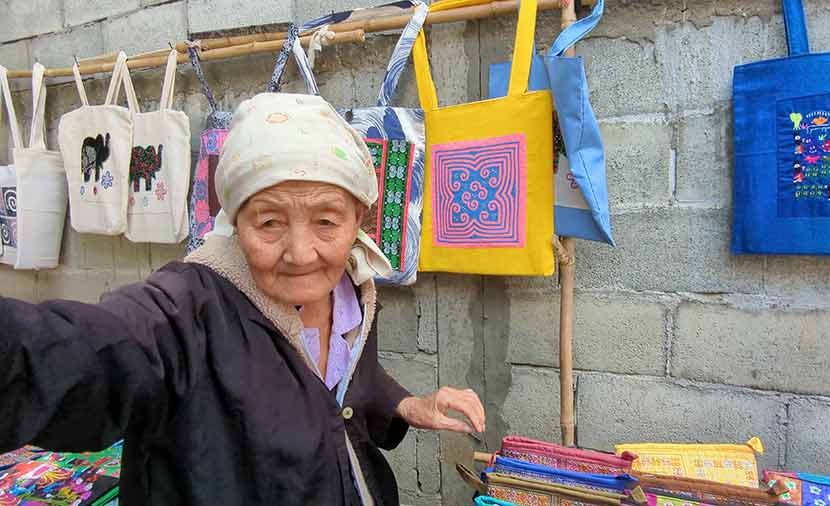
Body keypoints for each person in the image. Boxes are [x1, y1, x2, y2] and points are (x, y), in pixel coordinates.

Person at [0, 93, 486, 505]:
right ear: (236, 220)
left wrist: (406, 405)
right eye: (269, 222)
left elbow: (342, 378)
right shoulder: (187, 309)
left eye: (326, 221)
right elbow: (86, 353)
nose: (300, 254)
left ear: (358, 215)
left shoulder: (351, 285)